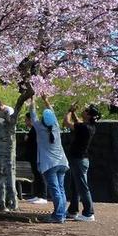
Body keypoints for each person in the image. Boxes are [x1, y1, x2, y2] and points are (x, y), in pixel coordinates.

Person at [29, 95, 69, 223]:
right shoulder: (56, 126)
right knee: (61, 189)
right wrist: (46, 100)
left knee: (55, 190)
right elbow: (51, 111)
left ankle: (58, 216)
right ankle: (61, 214)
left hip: (49, 164)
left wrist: (33, 100)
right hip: (62, 162)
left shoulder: (40, 128)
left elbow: (32, 114)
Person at [64, 103, 99, 221]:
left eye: (86, 110)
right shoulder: (89, 126)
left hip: (79, 160)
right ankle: (72, 210)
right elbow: (78, 122)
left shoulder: (84, 127)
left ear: (88, 115)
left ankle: (89, 213)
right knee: (75, 186)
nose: (83, 111)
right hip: (80, 159)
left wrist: (69, 111)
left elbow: (67, 123)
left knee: (83, 187)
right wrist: (74, 112)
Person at [23, 111, 48, 204]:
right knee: (36, 175)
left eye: (26, 120)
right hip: (33, 155)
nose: (25, 121)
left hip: (37, 155)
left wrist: (27, 138)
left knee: (40, 175)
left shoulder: (36, 129)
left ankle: (43, 196)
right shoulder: (33, 129)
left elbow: (31, 140)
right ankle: (38, 195)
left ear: (30, 120)